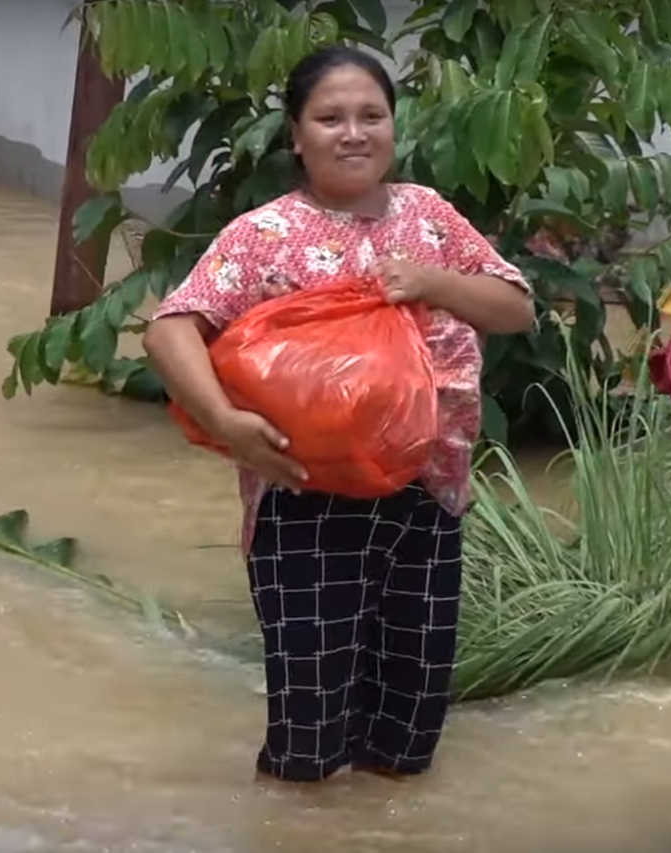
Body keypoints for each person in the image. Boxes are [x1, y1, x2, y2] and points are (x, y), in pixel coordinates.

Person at [142, 45, 535, 783]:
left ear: (394, 125)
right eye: (329, 118)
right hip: (304, 498)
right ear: (296, 135)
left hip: (426, 496)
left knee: (409, 729)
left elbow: (516, 308)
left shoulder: (428, 216)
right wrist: (228, 425)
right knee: (308, 739)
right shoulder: (264, 235)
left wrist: (431, 280)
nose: (353, 132)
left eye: (371, 115)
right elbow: (170, 329)